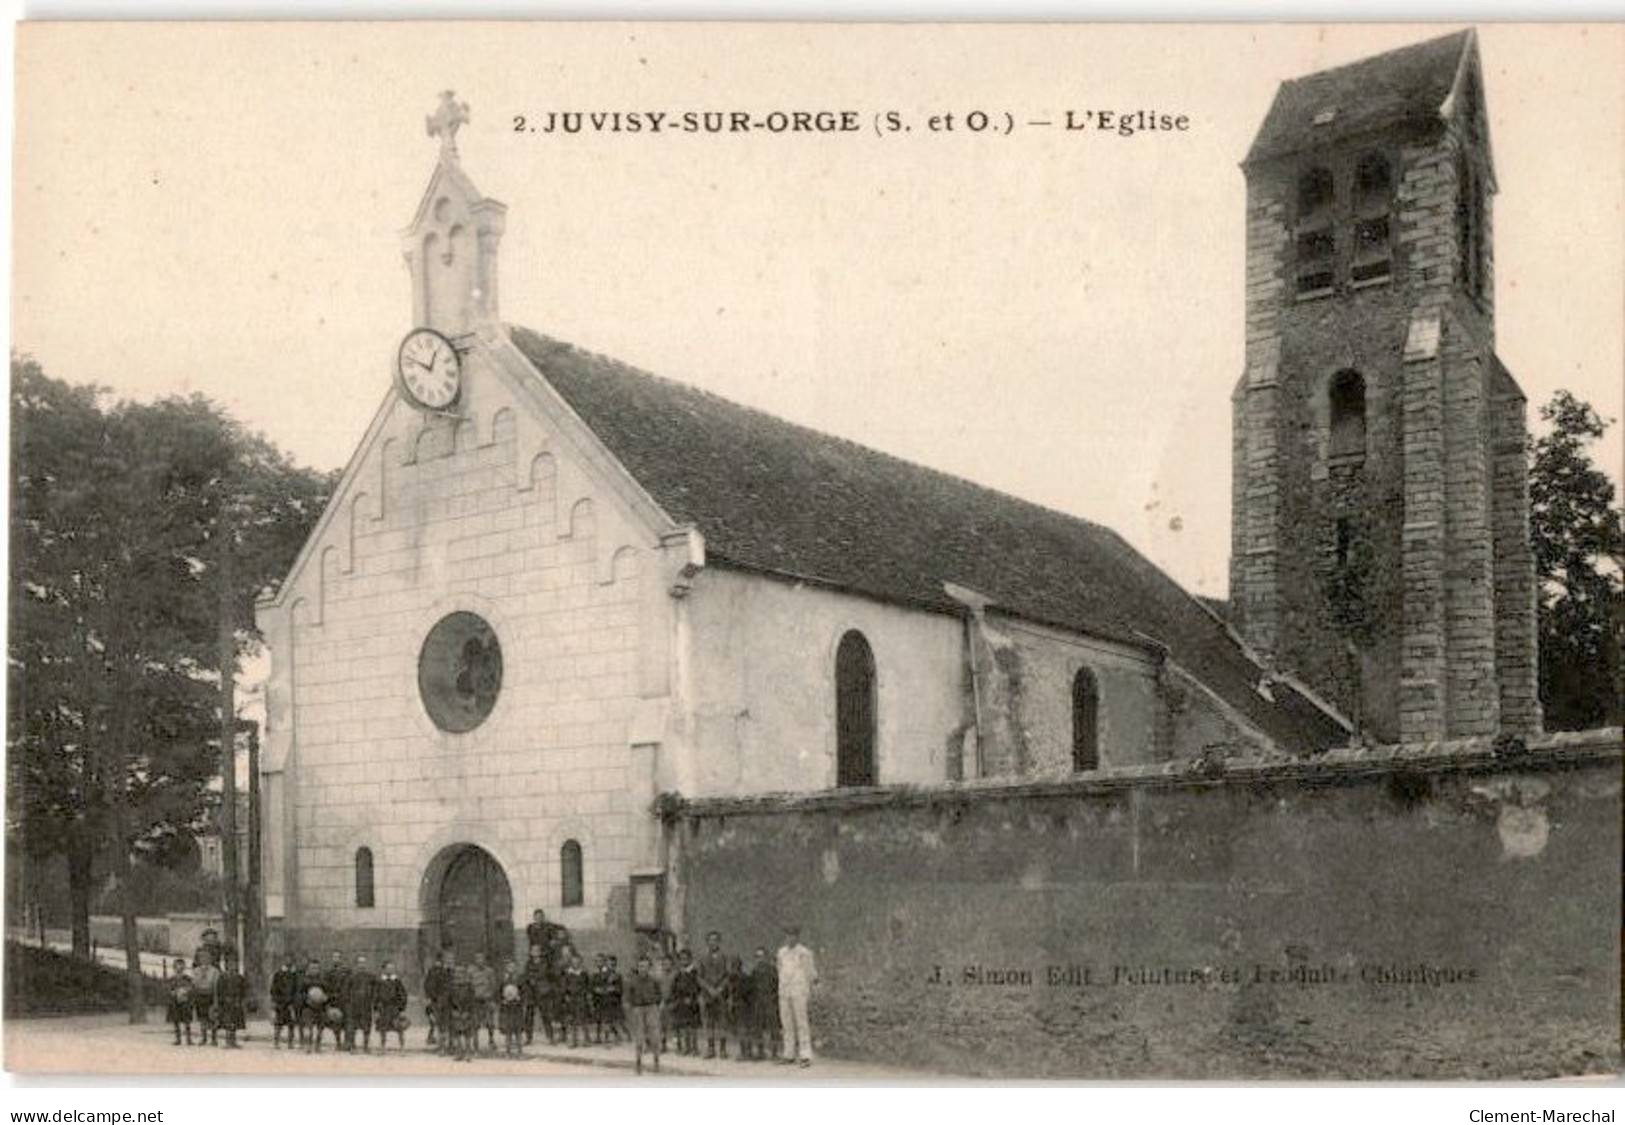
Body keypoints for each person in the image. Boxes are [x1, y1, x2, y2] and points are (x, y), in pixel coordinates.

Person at [776, 925, 817, 1067]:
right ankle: (789, 1054)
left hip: (799, 990)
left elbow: (810, 973)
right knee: (787, 1023)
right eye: (787, 935)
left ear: (797, 937)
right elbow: (780, 970)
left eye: (793, 935)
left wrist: (808, 990)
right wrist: (782, 987)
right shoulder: (781, 952)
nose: (790, 938)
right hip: (784, 991)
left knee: (801, 1023)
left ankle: (805, 1055)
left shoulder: (804, 953)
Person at [623, 953, 663, 1075]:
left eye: (645, 966)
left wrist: (658, 1005)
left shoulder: (654, 980)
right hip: (638, 1009)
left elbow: (659, 995)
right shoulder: (632, 981)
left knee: (655, 1037)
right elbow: (627, 996)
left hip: (651, 1008)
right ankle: (638, 1062)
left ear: (649, 968)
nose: (643, 969)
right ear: (637, 967)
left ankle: (656, 1063)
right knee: (639, 1038)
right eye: (640, 966)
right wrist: (628, 1005)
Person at [696, 930, 731, 1058]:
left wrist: (721, 988)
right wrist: (709, 988)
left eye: (715, 940)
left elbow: (728, 975)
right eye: (710, 940)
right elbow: (699, 977)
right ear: (707, 942)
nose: (713, 943)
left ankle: (723, 1049)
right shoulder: (702, 958)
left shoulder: (724, 957)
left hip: (721, 994)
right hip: (707, 994)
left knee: (722, 1022)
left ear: (719, 942)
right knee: (708, 1022)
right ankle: (710, 1048)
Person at [745, 946, 780, 1061]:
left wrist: (774, 1000)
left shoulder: (773, 970)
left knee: (773, 1027)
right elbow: (750, 988)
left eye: (762, 956)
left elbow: (776, 986)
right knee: (758, 1027)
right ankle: (760, 1051)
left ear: (766, 957)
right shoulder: (754, 971)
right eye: (757, 957)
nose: (760, 959)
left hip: (770, 1001)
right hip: (758, 1002)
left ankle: (775, 1052)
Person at [667, 948, 701, 1056]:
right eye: (681, 959)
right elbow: (674, 988)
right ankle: (684, 1047)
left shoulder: (694, 972)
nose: (683, 961)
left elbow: (697, 986)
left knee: (692, 1026)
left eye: (686, 959)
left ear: (690, 959)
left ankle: (694, 1047)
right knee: (682, 1026)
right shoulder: (678, 974)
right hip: (680, 1002)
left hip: (692, 1002)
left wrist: (691, 997)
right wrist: (676, 999)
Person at [214, 950, 248, 1049]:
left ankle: (234, 1041)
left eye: (234, 964)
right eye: (230, 964)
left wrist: (241, 1000)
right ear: (227, 965)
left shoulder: (240, 978)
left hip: (236, 1002)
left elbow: (243, 990)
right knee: (227, 1022)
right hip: (226, 1003)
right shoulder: (222, 977)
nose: (232, 966)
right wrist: (222, 1000)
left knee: (235, 1022)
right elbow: (219, 990)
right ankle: (228, 1041)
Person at [343, 953, 378, 1053]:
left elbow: (375, 990)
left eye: (363, 963)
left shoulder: (371, 977)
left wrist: (373, 1001)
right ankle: (353, 1046)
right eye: (360, 963)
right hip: (354, 1006)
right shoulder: (351, 977)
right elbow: (346, 991)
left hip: (366, 1005)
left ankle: (366, 1046)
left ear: (366, 964)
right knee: (353, 1026)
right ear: (356, 964)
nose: (362, 965)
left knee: (366, 1026)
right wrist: (348, 1003)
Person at [522, 942, 553, 1045]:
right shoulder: (528, 963)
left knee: (545, 1015)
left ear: (540, 952)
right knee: (529, 1016)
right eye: (533, 951)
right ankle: (528, 1038)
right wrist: (529, 980)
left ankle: (550, 1037)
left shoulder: (545, 963)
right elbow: (525, 975)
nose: (535, 953)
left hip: (542, 992)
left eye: (537, 951)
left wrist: (535, 978)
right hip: (531, 992)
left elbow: (545, 974)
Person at [374, 959, 409, 1051]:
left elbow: (403, 996)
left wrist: (402, 1010)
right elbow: (376, 996)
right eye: (388, 968)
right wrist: (376, 1010)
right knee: (382, 1029)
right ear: (384, 969)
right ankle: (382, 1046)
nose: (390, 970)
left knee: (399, 1028)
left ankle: (402, 1047)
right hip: (383, 1009)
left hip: (395, 1008)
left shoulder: (397, 981)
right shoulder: (379, 981)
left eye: (392, 968)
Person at [560, 948, 590, 1048]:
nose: (575, 964)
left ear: (580, 963)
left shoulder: (584, 974)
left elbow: (587, 986)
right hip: (571, 999)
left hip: (581, 998)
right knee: (571, 1020)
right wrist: (566, 995)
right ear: (571, 963)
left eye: (577, 962)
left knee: (582, 1020)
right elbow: (564, 986)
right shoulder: (568, 973)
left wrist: (586, 995)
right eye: (573, 962)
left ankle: (584, 1040)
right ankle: (572, 1041)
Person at [468, 950, 498, 1053]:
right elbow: (469, 985)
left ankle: (491, 1040)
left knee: (490, 1022)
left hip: (486, 999)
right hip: (475, 1000)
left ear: (485, 960)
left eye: (482, 959)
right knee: (475, 1022)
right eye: (477, 959)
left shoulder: (489, 971)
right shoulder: (471, 971)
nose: (480, 961)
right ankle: (475, 1042)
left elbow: (493, 985)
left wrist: (490, 995)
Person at [270, 954, 301, 1049]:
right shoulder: (278, 974)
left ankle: (290, 1042)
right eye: (286, 959)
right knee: (278, 1023)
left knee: (291, 1024)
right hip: (281, 1002)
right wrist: (275, 1001)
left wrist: (294, 1001)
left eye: (290, 959)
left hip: (291, 1003)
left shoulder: (295, 974)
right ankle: (276, 1042)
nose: (288, 961)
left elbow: (297, 988)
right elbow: (273, 989)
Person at [191, 949, 221, 1047]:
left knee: (212, 1017)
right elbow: (194, 983)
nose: (204, 960)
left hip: (210, 994)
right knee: (202, 1017)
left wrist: (216, 999)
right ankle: (204, 1037)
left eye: (207, 957)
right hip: (200, 995)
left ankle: (214, 1038)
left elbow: (216, 985)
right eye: (202, 958)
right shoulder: (196, 971)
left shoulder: (215, 971)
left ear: (211, 959)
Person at [300, 957, 330, 1053]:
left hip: (320, 1007)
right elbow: (299, 993)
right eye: (312, 968)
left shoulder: (323, 981)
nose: (314, 970)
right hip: (308, 1007)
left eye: (316, 968)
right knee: (308, 1028)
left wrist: (325, 998)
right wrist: (306, 999)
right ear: (309, 969)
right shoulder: (304, 980)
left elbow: (328, 992)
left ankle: (318, 1044)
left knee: (320, 1028)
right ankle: (308, 1045)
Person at [423, 949, 450, 1050]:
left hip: (445, 999)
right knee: (438, 1021)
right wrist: (430, 997)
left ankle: (442, 1043)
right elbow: (429, 985)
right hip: (437, 1000)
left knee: (442, 1022)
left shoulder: (447, 970)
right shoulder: (435, 971)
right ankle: (440, 1043)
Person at [165, 958, 195, 1046]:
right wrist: (173, 992)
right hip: (175, 1001)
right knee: (176, 1019)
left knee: (187, 1020)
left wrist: (185, 991)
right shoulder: (172, 979)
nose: (179, 968)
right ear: (174, 967)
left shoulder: (187, 978)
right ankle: (178, 1039)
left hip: (185, 1001)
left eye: (181, 966)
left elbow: (192, 988)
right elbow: (168, 989)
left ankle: (189, 1039)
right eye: (177, 966)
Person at [498, 965, 525, 1056]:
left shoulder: (519, 980)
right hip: (507, 1008)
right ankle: (508, 1051)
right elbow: (499, 993)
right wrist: (502, 1000)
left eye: (513, 967)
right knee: (508, 1030)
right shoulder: (503, 981)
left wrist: (520, 998)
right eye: (509, 967)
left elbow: (523, 991)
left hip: (517, 1007)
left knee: (518, 1030)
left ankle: (520, 1051)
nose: (511, 969)